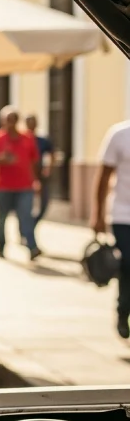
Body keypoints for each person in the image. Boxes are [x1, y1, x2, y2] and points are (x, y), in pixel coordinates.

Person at [92, 120, 130, 338]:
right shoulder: (120, 134)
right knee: (128, 263)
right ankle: (123, 311)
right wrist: (98, 214)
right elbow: (104, 176)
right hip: (123, 215)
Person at [0, 106, 41, 260]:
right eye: (7, 120)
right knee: (2, 217)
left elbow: (34, 161)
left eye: (13, 120)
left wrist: (36, 181)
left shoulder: (27, 138)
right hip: (4, 186)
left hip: (25, 186)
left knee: (26, 216)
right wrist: (2, 159)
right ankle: (1, 246)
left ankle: (32, 246)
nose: (10, 123)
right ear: (3, 121)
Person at [25, 114, 54, 232]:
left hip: (39, 174)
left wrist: (48, 168)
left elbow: (52, 153)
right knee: (26, 206)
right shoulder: (23, 140)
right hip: (26, 176)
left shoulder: (42, 140)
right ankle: (26, 231)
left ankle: (30, 227)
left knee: (43, 205)